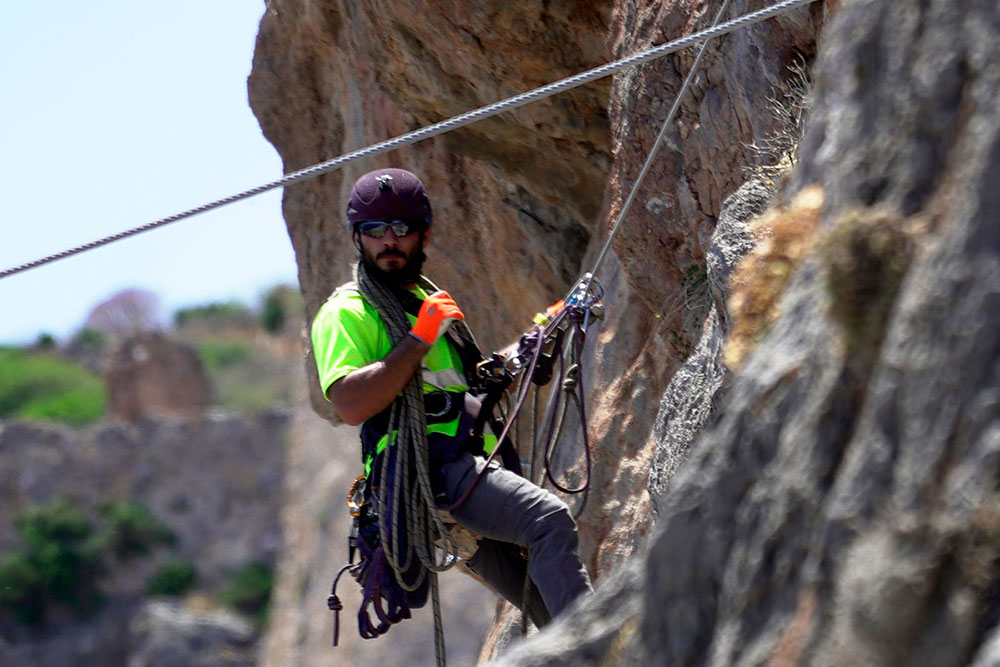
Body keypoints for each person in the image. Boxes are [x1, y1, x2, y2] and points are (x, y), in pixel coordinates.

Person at [311, 167, 592, 629]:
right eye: (374, 231)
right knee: (547, 520)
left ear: (423, 234)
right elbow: (350, 402)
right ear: (358, 239)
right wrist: (419, 337)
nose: (389, 241)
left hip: (465, 462)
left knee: (544, 605)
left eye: (401, 229)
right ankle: (602, 649)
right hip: (428, 471)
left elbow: (470, 387)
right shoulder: (347, 311)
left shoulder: (428, 300)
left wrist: (536, 340)